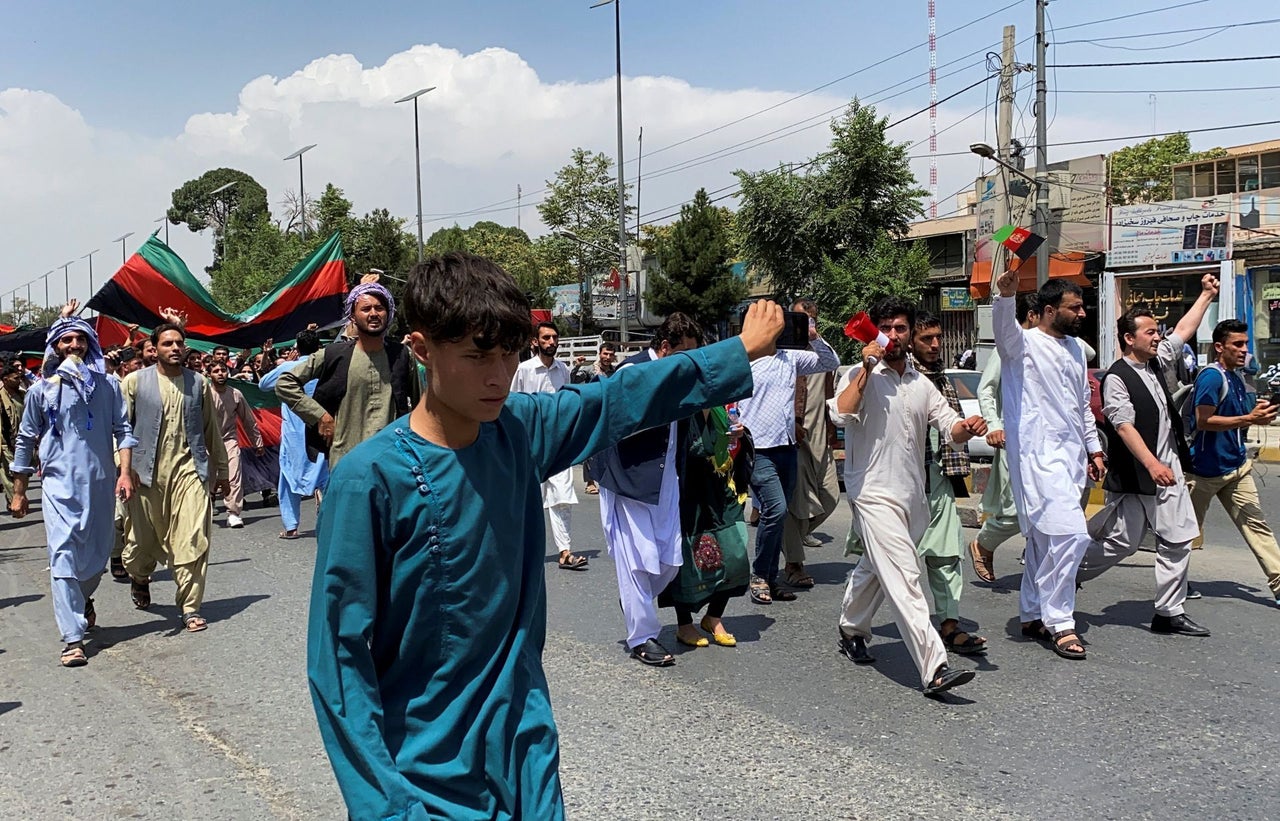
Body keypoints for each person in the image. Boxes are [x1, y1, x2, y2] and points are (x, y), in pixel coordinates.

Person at [307, 252, 781, 821]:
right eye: (476, 356)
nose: (497, 375)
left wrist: (738, 352)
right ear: (422, 348)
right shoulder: (369, 480)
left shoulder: (519, 431)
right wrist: (383, 803)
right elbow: (337, 659)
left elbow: (622, 398)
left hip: (525, 748)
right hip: (423, 775)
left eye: (508, 354)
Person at [831, 297, 987, 695]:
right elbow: (841, 413)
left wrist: (968, 427)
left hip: (914, 499)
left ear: (910, 333)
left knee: (875, 568)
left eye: (901, 328)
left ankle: (851, 627)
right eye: (886, 328)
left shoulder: (922, 384)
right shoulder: (857, 373)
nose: (893, 336)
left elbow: (949, 427)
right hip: (872, 494)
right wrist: (866, 367)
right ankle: (935, 667)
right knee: (904, 575)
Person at [1079, 274, 1220, 637]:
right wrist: (1152, 463)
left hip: (1166, 469)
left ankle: (1168, 612)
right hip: (1141, 472)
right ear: (1129, 339)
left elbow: (1184, 331)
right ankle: (1061, 572)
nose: (1157, 337)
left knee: (1177, 537)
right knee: (1120, 543)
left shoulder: (1157, 362)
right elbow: (1124, 426)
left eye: (1158, 332)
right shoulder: (1117, 378)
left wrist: (1205, 294)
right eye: (1150, 333)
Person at [9, 316, 137, 666]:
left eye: (81, 340)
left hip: (99, 486)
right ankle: (73, 638)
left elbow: (123, 430)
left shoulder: (108, 385)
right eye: (67, 341)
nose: (75, 346)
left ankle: (82, 599)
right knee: (63, 555)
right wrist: (20, 491)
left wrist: (125, 473)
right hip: (56, 486)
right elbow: (25, 440)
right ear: (55, 347)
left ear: (90, 345)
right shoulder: (41, 390)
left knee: (96, 560)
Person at [994, 267, 1105, 661]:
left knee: (1043, 542)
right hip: (1037, 458)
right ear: (1046, 310)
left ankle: (1030, 614)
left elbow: (1082, 407)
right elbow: (1004, 330)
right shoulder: (1021, 345)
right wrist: (1005, 297)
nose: (1082, 314)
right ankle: (1061, 622)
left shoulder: (1077, 350)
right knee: (1073, 536)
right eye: (1074, 308)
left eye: (1082, 307)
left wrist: (1093, 449)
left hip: (1072, 457)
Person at [593, 314, 703, 666]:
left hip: (666, 477)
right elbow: (614, 423)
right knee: (638, 559)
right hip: (630, 479)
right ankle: (642, 636)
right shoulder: (632, 372)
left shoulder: (679, 377)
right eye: (684, 354)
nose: (689, 363)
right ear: (665, 347)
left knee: (669, 559)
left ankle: (635, 599)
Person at [120, 323, 229, 633]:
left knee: (194, 536)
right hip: (144, 475)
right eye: (168, 343)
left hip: (189, 472)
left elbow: (211, 430)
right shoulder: (134, 383)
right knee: (141, 545)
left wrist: (221, 470)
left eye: (179, 343)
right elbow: (120, 430)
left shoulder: (199, 384)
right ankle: (140, 577)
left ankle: (191, 606)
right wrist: (123, 470)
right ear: (154, 349)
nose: (175, 348)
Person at [737, 308, 838, 605]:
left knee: (778, 516)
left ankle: (770, 577)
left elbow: (829, 362)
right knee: (777, 509)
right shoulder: (745, 359)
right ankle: (759, 575)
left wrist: (813, 336)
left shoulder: (791, 358)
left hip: (786, 449)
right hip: (758, 450)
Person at [1186, 318, 1280, 607]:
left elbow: (1239, 417)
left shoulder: (1237, 378)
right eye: (1237, 344)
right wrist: (1249, 418)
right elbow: (1204, 421)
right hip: (1201, 472)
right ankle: (1175, 583)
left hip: (1236, 469)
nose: (1244, 350)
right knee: (1186, 535)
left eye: (1245, 344)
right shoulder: (1212, 378)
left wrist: (1256, 412)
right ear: (1219, 347)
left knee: (1257, 526)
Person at [275, 282, 417, 471]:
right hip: (347, 460)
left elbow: (421, 404)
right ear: (352, 316)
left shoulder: (403, 355)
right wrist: (320, 416)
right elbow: (285, 384)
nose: (373, 314)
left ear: (388, 313)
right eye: (366, 309)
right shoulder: (333, 354)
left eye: (379, 308)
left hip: (393, 462)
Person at [910, 311, 987, 654]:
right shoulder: (900, 377)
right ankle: (856, 625)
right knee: (884, 563)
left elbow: (950, 428)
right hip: (901, 484)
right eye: (927, 338)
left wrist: (968, 428)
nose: (936, 344)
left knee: (945, 554)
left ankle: (949, 625)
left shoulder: (940, 378)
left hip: (938, 477)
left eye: (938, 337)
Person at [659, 402, 753, 650]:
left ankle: (714, 616)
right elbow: (685, 449)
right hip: (687, 491)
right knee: (688, 558)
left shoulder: (723, 410)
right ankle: (684, 624)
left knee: (736, 549)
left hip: (719, 488)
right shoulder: (681, 409)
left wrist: (739, 435)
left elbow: (729, 449)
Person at [969, 293, 1040, 582]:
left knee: (1043, 511)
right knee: (1015, 511)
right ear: (1033, 316)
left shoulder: (1051, 347)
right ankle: (983, 543)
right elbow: (986, 388)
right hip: (1014, 441)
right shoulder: (1009, 347)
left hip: (1044, 444)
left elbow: (1087, 352)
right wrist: (995, 425)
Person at [510, 321, 588, 571]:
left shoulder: (562, 370)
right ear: (535, 342)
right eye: (546, 338)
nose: (551, 342)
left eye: (554, 338)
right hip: (529, 444)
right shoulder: (524, 370)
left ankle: (565, 551)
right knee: (526, 499)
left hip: (558, 442)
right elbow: (512, 402)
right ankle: (520, 553)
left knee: (562, 498)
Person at [780, 298, 841, 590]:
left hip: (820, 436)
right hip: (795, 437)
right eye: (799, 319)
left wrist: (831, 430)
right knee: (796, 503)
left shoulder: (821, 349)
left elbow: (832, 376)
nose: (805, 324)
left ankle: (790, 536)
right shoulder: (783, 351)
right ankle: (793, 563)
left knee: (831, 497)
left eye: (809, 319)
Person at [258, 330, 329, 540]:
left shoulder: (289, 368)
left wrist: (285, 365)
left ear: (297, 348)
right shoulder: (326, 367)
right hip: (322, 426)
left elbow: (263, 385)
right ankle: (327, 515)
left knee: (288, 475)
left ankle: (291, 526)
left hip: (294, 432)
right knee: (325, 473)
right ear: (318, 348)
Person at [207, 360, 264, 529]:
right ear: (209, 374)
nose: (220, 373)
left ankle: (233, 513)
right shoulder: (205, 394)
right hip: (207, 442)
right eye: (216, 370)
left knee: (234, 476)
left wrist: (257, 442)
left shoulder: (236, 394)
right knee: (208, 478)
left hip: (229, 440)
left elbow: (248, 420)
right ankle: (206, 506)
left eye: (223, 370)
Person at [571, 341, 617, 495]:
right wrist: (577, 366)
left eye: (611, 355)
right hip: (592, 413)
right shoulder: (590, 370)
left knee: (608, 447)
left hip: (608, 413)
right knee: (590, 448)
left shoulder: (615, 372)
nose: (608, 357)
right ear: (600, 353)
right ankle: (590, 481)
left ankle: (606, 479)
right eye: (605, 354)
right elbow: (575, 380)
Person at [0, 357, 27, 506]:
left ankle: (17, 497)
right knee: (10, 475)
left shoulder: (22, 395)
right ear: (5, 379)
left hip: (21, 443)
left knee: (22, 475)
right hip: (4, 446)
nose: (19, 379)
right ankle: (14, 502)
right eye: (15, 378)